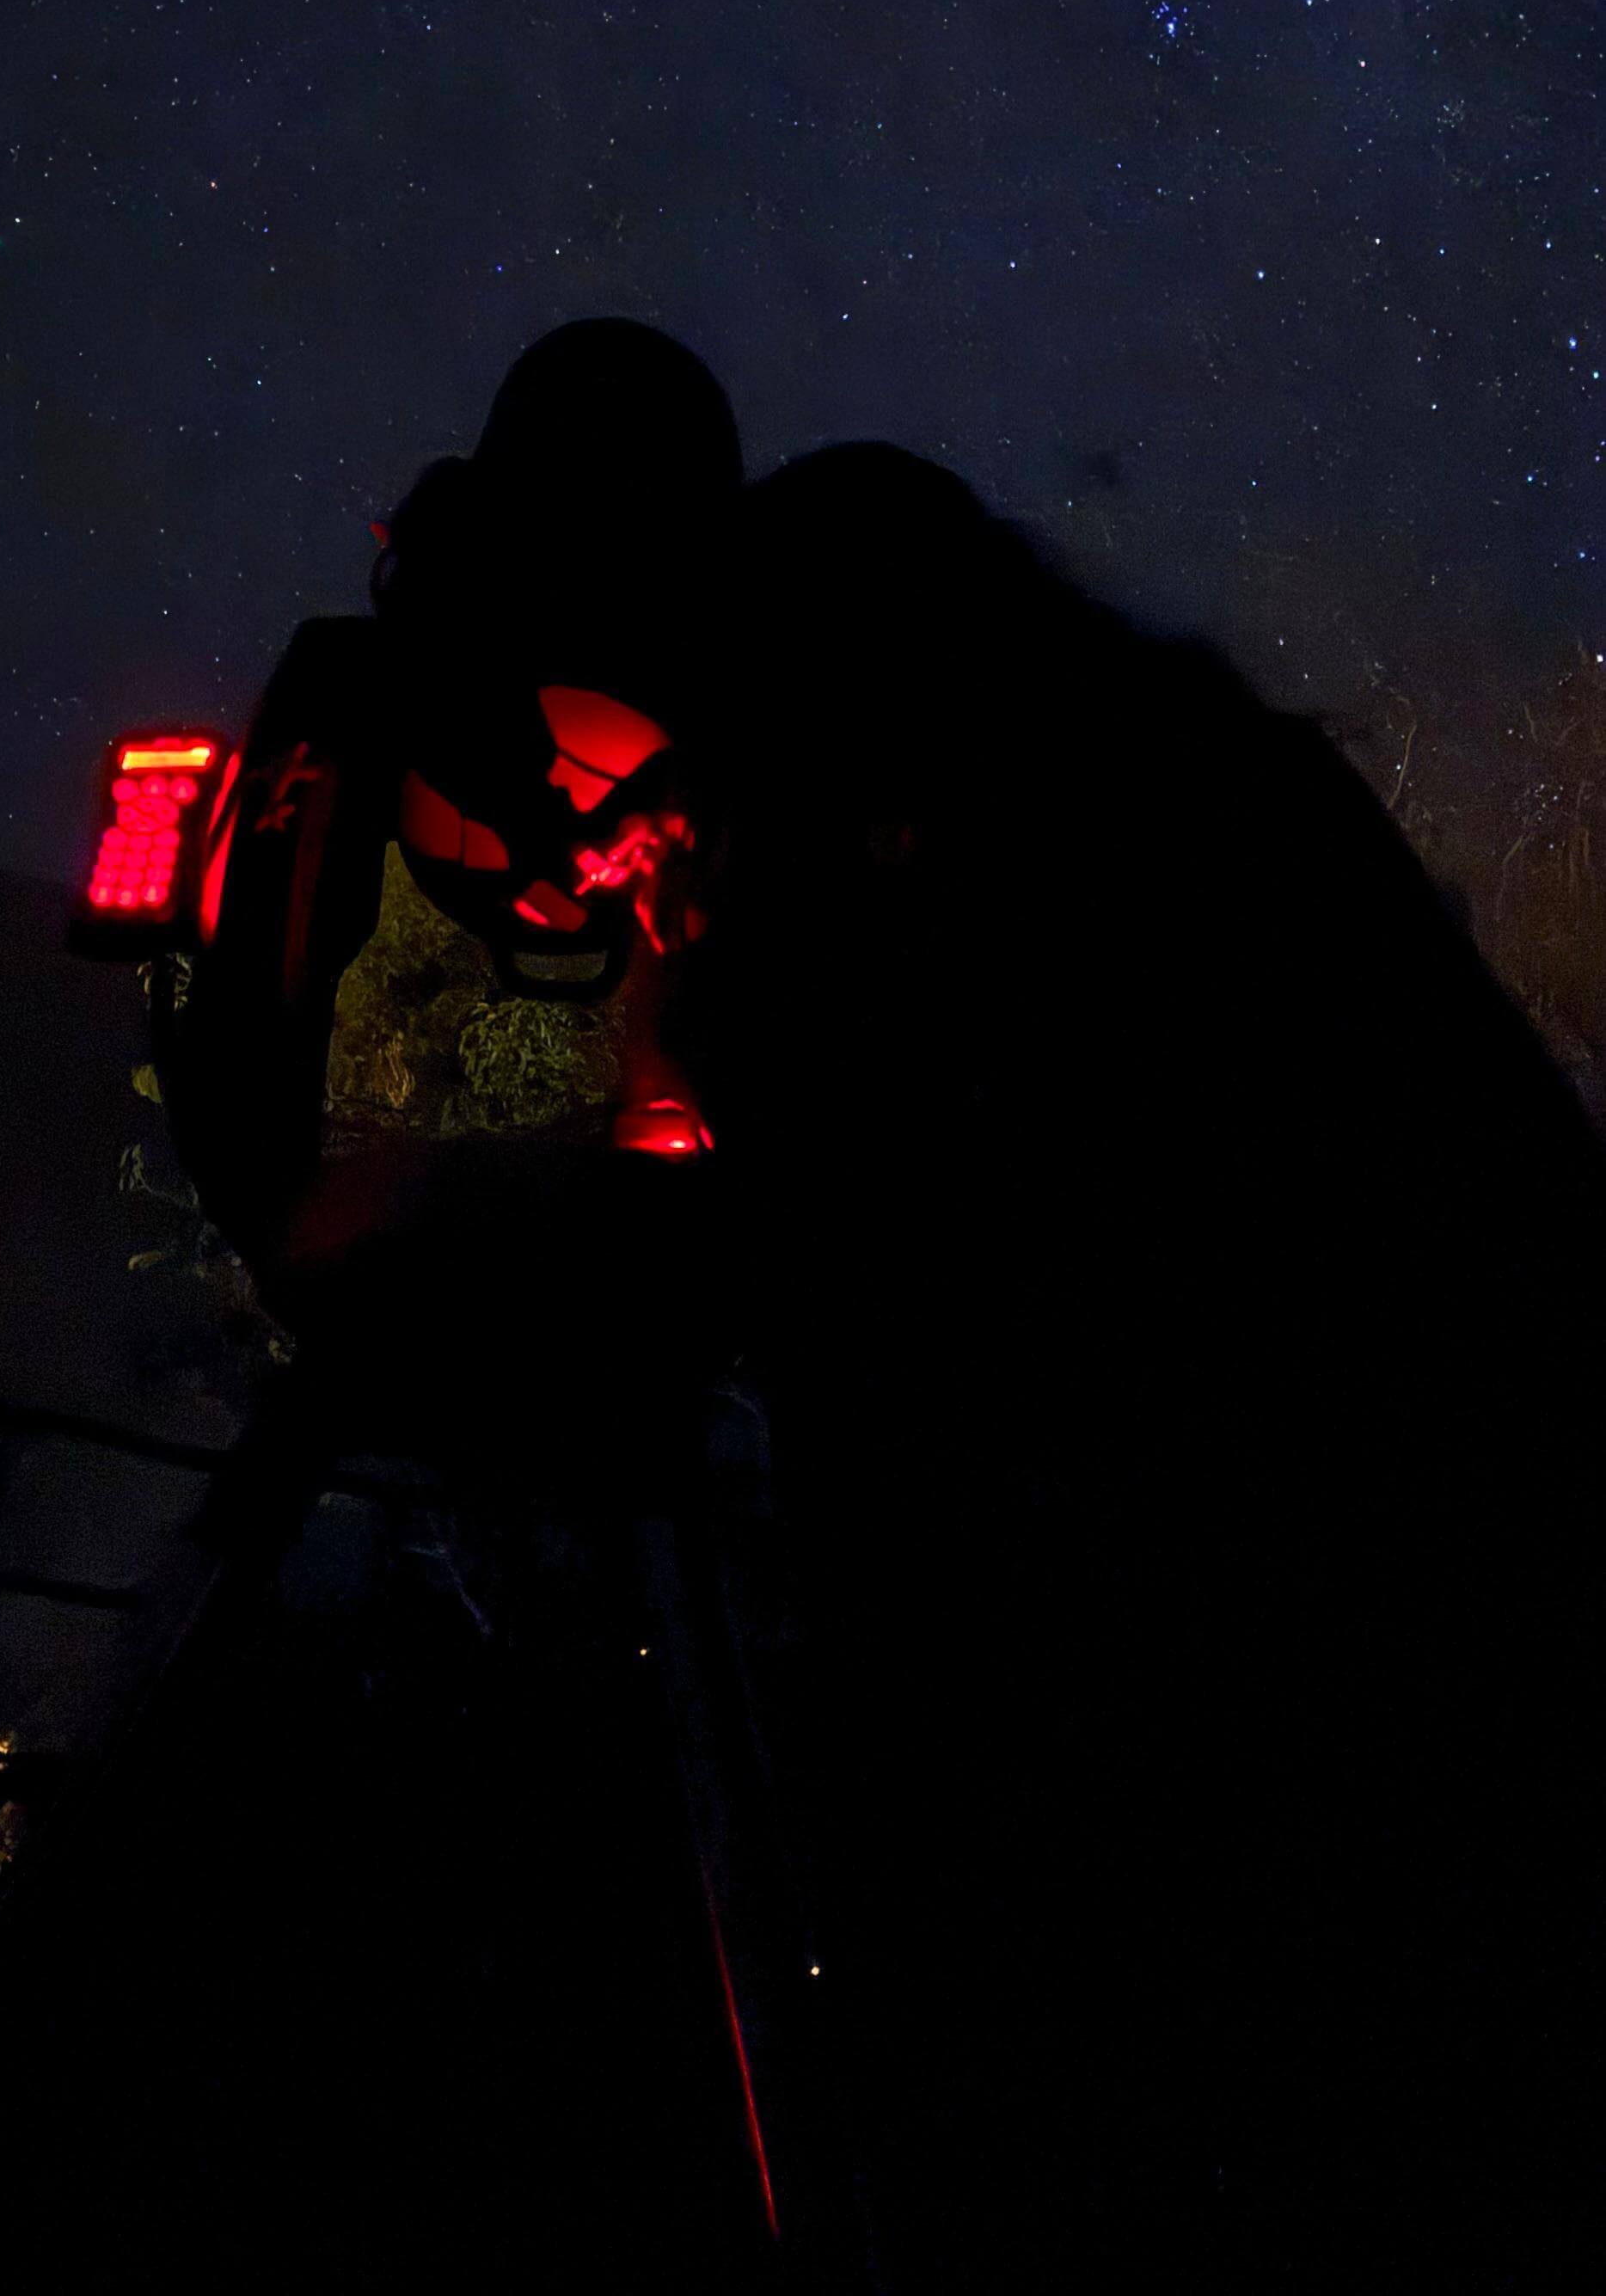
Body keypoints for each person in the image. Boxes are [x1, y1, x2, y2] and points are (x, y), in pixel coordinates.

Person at [158, 328, 1606, 2284]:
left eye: (666, 819)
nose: (637, 855)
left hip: (1329, 1660)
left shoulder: (935, 771)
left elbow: (853, 1168)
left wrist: (449, 1194)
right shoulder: (1118, 744)